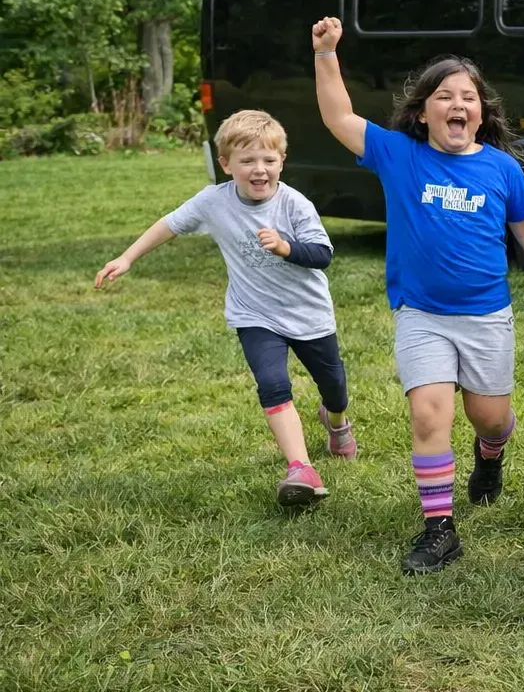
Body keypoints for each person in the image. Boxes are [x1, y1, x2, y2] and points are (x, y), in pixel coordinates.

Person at [310, 16, 524, 575]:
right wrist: (327, 53)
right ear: (423, 112)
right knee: (429, 415)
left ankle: (491, 454)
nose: (458, 104)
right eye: (445, 96)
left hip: (486, 317)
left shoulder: (502, 169)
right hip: (421, 315)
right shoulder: (398, 154)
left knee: (490, 419)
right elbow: (338, 117)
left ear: (481, 112)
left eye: (468, 97)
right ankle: (439, 530)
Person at [95, 109, 354, 507]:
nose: (259, 169)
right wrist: (127, 258)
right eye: (247, 160)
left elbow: (323, 255)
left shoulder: (295, 205)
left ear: (282, 161)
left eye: (268, 160)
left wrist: (285, 247)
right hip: (255, 315)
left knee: (334, 387)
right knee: (272, 383)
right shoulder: (213, 201)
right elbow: (169, 224)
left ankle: (336, 422)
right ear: (226, 164)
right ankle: (301, 467)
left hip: (309, 315)